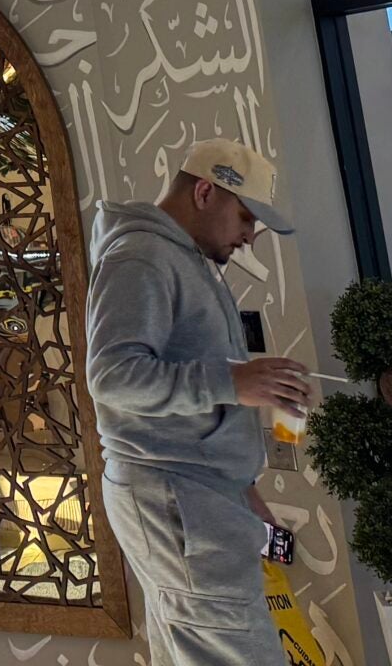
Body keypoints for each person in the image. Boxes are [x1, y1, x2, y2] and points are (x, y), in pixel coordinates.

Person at [85, 139, 314, 666]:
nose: (249, 236)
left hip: (194, 496)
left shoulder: (176, 258)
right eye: (246, 216)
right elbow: (113, 377)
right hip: (176, 497)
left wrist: (244, 487)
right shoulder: (140, 256)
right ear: (207, 190)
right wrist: (235, 383)